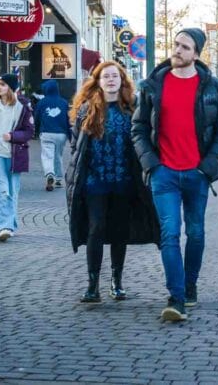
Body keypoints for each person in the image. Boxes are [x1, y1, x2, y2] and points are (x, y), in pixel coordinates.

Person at [132, 27, 218, 322]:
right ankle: (175, 297)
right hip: (164, 174)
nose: (177, 50)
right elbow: (138, 128)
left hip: (196, 174)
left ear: (196, 55)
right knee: (169, 234)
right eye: (175, 45)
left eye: (184, 47)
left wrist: (207, 168)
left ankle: (190, 287)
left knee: (197, 233)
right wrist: (152, 164)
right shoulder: (154, 85)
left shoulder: (212, 88)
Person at [67, 61, 159, 303]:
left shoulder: (132, 109)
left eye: (115, 76)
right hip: (94, 182)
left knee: (120, 232)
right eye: (105, 76)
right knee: (95, 229)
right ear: (97, 81)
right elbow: (76, 145)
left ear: (122, 80)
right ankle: (92, 284)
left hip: (124, 182)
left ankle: (117, 282)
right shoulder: (87, 110)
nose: (110, 80)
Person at [0, 73, 34, 241]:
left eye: (3, 85)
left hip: (15, 155)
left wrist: (12, 136)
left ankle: (10, 225)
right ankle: (4, 226)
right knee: (2, 189)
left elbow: (29, 131)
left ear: (11, 88)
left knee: (12, 190)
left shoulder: (23, 107)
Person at [35, 79, 71, 191]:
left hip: (46, 133)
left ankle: (49, 173)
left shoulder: (42, 102)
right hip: (61, 134)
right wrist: (70, 136)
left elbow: (37, 117)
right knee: (58, 155)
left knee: (47, 155)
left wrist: (36, 131)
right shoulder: (64, 102)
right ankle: (59, 179)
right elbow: (68, 120)